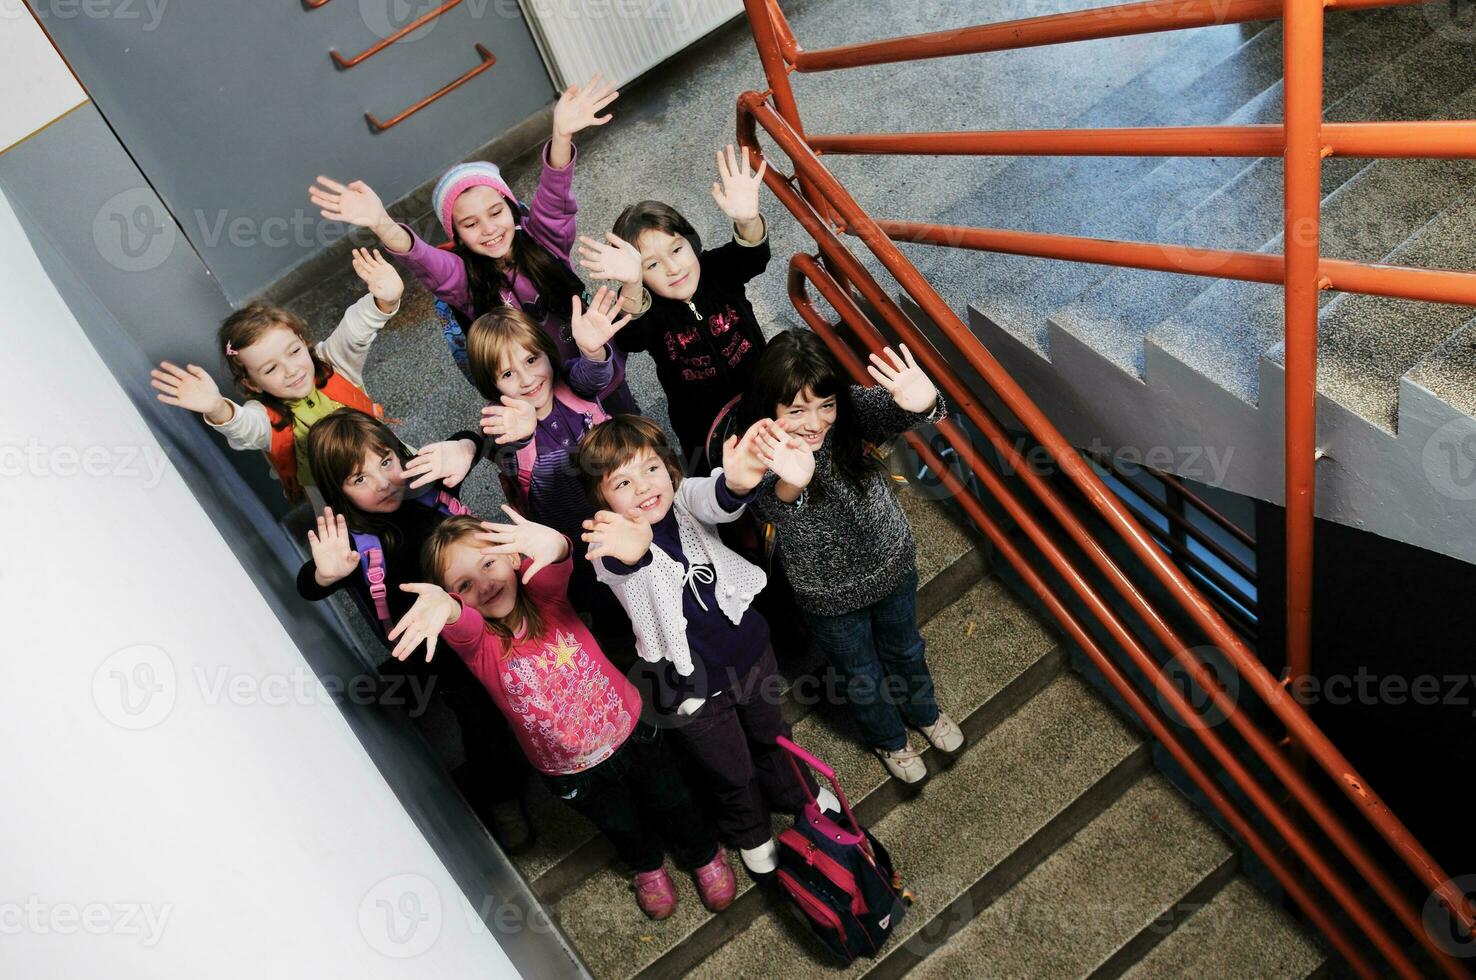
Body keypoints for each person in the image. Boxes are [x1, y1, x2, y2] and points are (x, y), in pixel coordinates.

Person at [388, 511, 736, 919]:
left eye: (489, 562)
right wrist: (444, 606)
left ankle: (702, 852)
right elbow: (458, 621)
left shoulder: (547, 600)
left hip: (633, 731)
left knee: (674, 797)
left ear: (514, 559)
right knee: (619, 823)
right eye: (464, 585)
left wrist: (552, 542)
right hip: (571, 771)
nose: (483, 584)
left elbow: (557, 561)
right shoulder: (477, 644)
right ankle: (646, 864)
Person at [577, 415, 833, 875]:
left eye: (651, 469)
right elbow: (620, 567)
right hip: (690, 685)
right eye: (623, 481)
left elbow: (717, 499)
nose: (644, 487)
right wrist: (634, 548)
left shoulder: (685, 498)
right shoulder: (611, 544)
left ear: (669, 468)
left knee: (773, 734)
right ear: (602, 501)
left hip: (749, 652)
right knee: (730, 768)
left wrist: (736, 481)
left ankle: (799, 794)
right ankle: (750, 829)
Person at [310, 74, 637, 412]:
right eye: (470, 223)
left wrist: (561, 134)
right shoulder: (462, 280)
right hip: (538, 404)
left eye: (496, 212)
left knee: (632, 434)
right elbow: (422, 258)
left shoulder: (544, 240)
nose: (488, 228)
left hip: (597, 372)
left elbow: (555, 199)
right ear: (458, 235)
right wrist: (380, 221)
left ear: (512, 210)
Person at [743, 331, 963, 784]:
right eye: (796, 410)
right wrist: (792, 483)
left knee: (906, 648)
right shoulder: (758, 449)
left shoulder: (850, 412)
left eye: (825, 405)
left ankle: (924, 712)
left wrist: (922, 403)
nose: (815, 422)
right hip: (828, 592)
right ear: (772, 409)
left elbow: (900, 410)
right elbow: (769, 510)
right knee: (860, 674)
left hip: (891, 562)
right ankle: (890, 740)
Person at [149, 248, 403, 500]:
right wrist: (217, 408)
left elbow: (354, 331)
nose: (291, 370)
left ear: (303, 341)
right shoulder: (266, 420)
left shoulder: (332, 363)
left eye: (293, 351)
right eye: (270, 369)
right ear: (252, 383)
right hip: (339, 503)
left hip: (390, 466)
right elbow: (245, 427)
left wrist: (385, 301)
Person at [577, 146, 770, 471]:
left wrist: (747, 220)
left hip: (764, 389)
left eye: (677, 249)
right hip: (702, 422)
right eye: (652, 264)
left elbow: (752, 256)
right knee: (723, 482)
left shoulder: (717, 270)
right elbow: (632, 335)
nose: (672, 267)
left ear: (691, 242)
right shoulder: (651, 311)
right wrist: (633, 283)